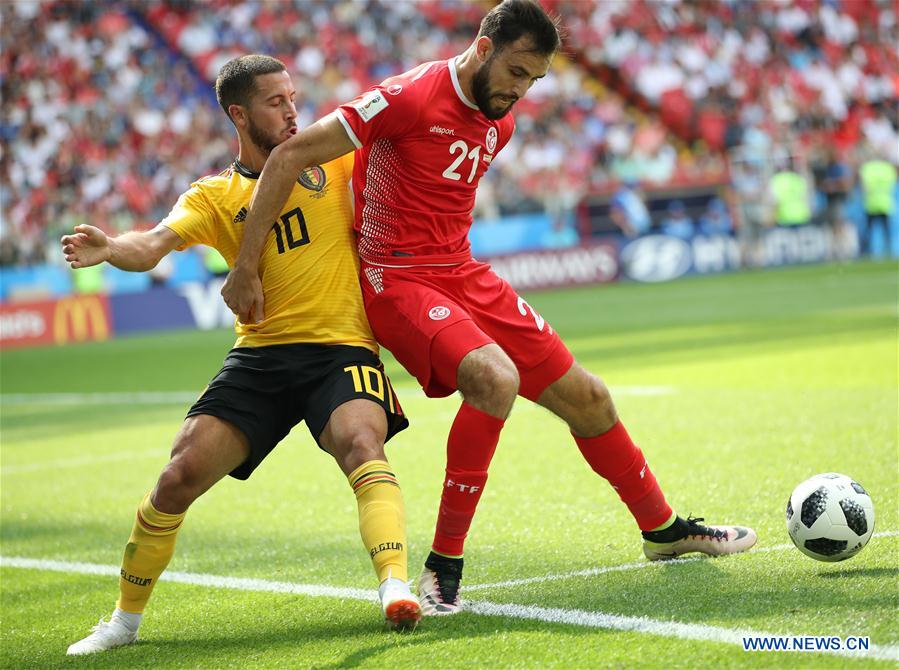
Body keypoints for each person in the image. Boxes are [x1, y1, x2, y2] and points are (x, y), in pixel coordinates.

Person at [221, 0, 757, 617]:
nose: (522, 90)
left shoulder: (500, 120)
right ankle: (443, 566)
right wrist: (247, 265)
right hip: (395, 275)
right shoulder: (407, 95)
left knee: (589, 397)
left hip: (462, 271)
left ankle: (663, 531)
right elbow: (289, 156)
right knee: (494, 378)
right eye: (517, 72)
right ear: (482, 47)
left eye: (535, 80)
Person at [61, 55, 420, 656]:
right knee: (177, 477)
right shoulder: (213, 194)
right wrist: (110, 247)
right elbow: (151, 245)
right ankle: (123, 622)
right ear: (238, 113)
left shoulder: (334, 157)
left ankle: (395, 585)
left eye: (292, 97)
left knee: (362, 443)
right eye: (275, 101)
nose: (291, 110)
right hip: (260, 357)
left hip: (340, 348)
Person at [858, 154, 897, 256]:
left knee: (868, 229)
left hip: (871, 203)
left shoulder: (867, 168)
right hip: (885, 203)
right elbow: (893, 183)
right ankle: (889, 251)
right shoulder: (888, 168)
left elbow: (864, 186)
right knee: (886, 229)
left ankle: (866, 252)